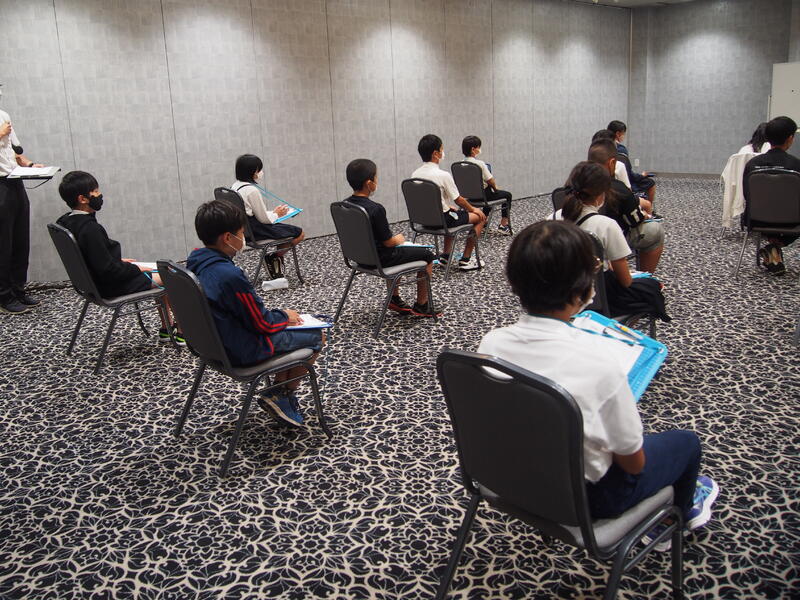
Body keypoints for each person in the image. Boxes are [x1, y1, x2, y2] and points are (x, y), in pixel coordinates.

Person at [478, 219, 718, 550]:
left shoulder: (491, 343)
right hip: (589, 498)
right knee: (686, 444)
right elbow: (633, 463)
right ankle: (672, 521)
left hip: (507, 476)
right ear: (583, 288)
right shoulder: (600, 364)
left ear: (514, 280)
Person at [187, 200, 323, 427]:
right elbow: (263, 324)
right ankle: (281, 393)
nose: (243, 238)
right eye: (241, 233)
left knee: (292, 331)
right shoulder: (229, 275)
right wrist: (284, 316)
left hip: (210, 345)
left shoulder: (194, 262)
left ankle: (279, 393)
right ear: (228, 238)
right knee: (317, 336)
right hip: (241, 348)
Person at [56, 171, 182, 344]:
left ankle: (167, 329)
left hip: (93, 283)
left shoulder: (67, 222)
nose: (99, 195)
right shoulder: (90, 229)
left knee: (160, 269)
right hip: (111, 285)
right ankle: (182, 331)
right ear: (83, 199)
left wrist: (118, 261)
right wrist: (136, 268)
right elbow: (109, 271)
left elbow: (93, 257)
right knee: (171, 275)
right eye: (95, 191)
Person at [557, 161, 670, 322]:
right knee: (650, 288)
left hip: (561, 293)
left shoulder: (551, 220)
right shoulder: (606, 225)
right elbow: (626, 281)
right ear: (602, 194)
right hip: (599, 297)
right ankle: (620, 330)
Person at [344, 158, 440, 317]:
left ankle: (394, 298)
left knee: (397, 250)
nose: (377, 181)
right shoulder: (375, 209)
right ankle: (422, 306)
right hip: (380, 259)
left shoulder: (345, 205)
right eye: (376, 177)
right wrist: (399, 239)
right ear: (369, 183)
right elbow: (389, 242)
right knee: (428, 256)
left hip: (359, 258)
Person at [411, 134, 486, 271]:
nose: (443, 152)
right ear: (436, 154)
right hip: (442, 221)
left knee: (452, 212)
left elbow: (426, 199)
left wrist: (446, 206)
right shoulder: (443, 175)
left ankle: (445, 256)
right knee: (481, 217)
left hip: (424, 220)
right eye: (441, 149)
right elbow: (459, 200)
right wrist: (473, 209)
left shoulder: (415, 174)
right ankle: (466, 259)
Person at [588, 139, 664, 273]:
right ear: (612, 163)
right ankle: (645, 276)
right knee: (656, 231)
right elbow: (635, 221)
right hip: (610, 239)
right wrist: (645, 215)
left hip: (580, 238)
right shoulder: (618, 189)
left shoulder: (574, 184)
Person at [0, 83, 43, 314]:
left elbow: (14, 151)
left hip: (14, 180)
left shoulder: (3, 115)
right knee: (3, 243)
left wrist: (30, 164)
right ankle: (3, 296)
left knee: (20, 239)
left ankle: (18, 289)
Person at [231, 154, 305, 278]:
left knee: (284, 229)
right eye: (259, 170)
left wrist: (275, 213)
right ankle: (273, 257)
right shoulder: (252, 190)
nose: (260, 172)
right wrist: (277, 214)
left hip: (243, 231)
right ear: (253, 171)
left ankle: (274, 260)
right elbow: (263, 219)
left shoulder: (234, 187)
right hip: (256, 231)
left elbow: (252, 213)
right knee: (299, 233)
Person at [742, 116, 800, 274]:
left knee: (769, 207)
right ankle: (777, 245)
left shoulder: (752, 164)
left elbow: (747, 195)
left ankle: (773, 248)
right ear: (790, 139)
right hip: (792, 220)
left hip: (756, 220)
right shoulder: (797, 165)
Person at [461, 135, 513, 235]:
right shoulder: (480, 164)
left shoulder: (460, 164)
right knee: (507, 195)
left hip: (469, 197)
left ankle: (483, 223)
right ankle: (504, 225)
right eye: (478, 147)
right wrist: (496, 188)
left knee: (488, 194)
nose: (479, 149)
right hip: (483, 196)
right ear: (473, 149)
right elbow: (490, 180)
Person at [606, 120, 657, 210]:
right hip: (622, 183)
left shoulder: (600, 148)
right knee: (650, 183)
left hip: (607, 182)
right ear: (618, 134)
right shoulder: (621, 150)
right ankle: (648, 210)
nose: (624, 136)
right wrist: (641, 176)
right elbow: (628, 173)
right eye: (623, 134)